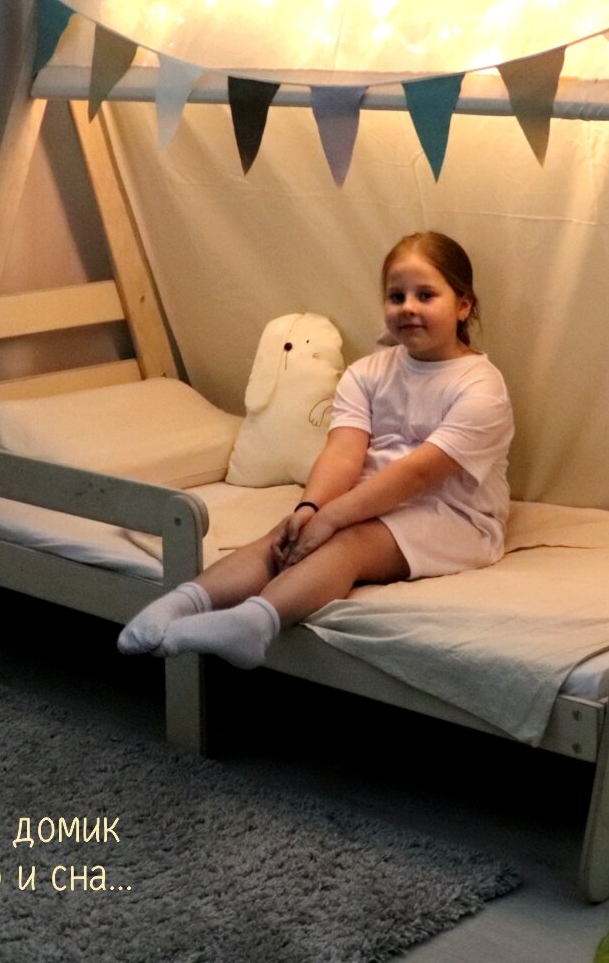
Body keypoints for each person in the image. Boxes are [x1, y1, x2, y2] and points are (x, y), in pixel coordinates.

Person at [117, 230, 514, 668]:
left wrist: (334, 517)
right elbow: (343, 453)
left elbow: (416, 475)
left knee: (349, 543)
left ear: (463, 305)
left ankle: (255, 623)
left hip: (453, 516)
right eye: (396, 296)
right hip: (368, 501)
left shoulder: (481, 388)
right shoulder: (367, 373)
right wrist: (310, 508)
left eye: (425, 295)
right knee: (286, 536)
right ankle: (180, 604)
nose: (408, 307)